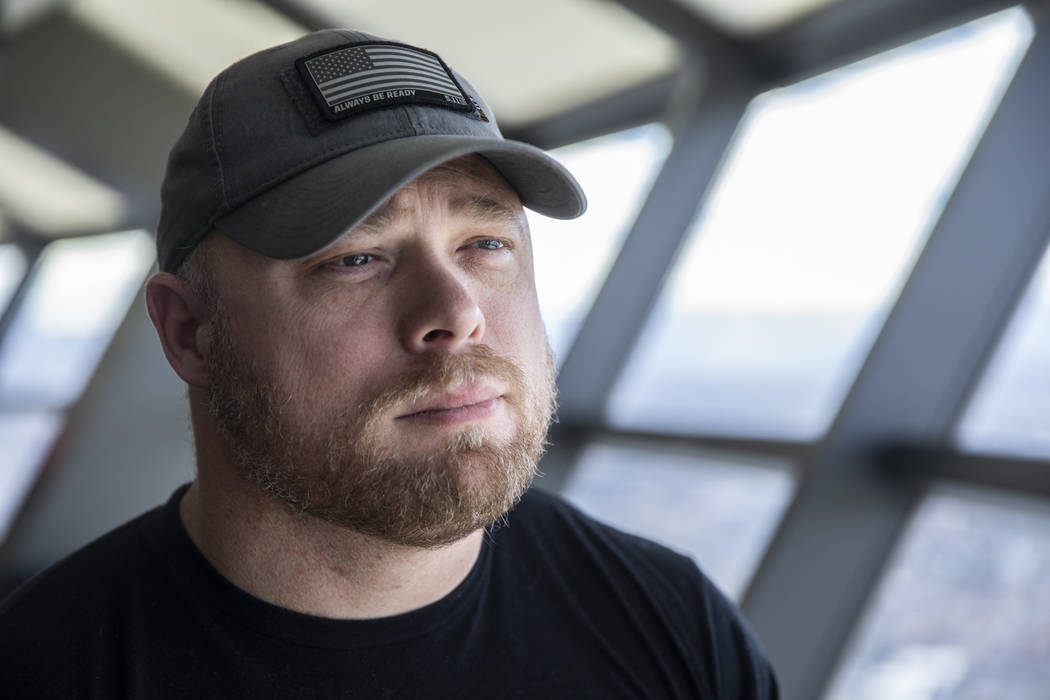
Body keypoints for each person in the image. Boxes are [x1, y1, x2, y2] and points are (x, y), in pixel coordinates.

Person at [0, 29, 778, 699]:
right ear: (191, 332)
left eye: (485, 245)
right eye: (357, 258)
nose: (457, 312)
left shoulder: (672, 623)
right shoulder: (41, 669)